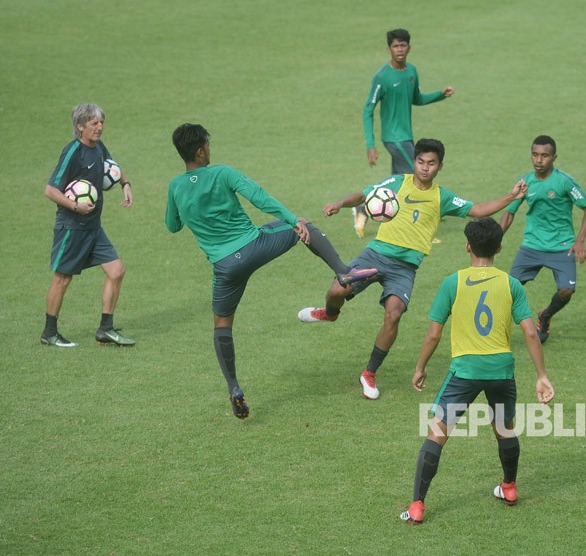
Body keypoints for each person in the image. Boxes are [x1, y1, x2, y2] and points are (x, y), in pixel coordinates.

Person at [165, 124, 377, 420]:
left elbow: (173, 226)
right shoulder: (223, 173)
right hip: (255, 246)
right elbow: (259, 197)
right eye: (208, 146)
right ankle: (343, 272)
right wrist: (293, 220)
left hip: (225, 267)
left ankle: (234, 387)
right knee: (301, 223)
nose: (210, 150)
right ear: (200, 151)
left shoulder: (176, 187)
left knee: (222, 325)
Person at [298, 138, 526, 400]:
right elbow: (364, 195)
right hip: (376, 253)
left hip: (404, 268)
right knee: (337, 289)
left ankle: (369, 373)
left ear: (440, 166)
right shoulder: (397, 183)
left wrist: (512, 196)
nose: (425, 168)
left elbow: (477, 210)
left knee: (394, 314)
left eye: (431, 163)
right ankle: (329, 313)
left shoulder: (443, 196)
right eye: (420, 162)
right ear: (414, 162)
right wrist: (339, 203)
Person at [399, 217, 555, 525]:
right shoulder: (511, 284)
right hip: (501, 369)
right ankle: (508, 487)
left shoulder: (452, 282)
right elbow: (530, 333)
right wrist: (542, 376)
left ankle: (417, 506)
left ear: (467, 246)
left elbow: (433, 334)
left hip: (465, 371)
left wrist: (420, 367)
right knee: (504, 428)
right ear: (499, 247)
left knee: (437, 434)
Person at [41, 103, 135, 348]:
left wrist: (126, 184)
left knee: (116, 271)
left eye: (101, 122)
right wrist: (75, 207)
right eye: (94, 123)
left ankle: (105, 329)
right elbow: (50, 190)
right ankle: (49, 333)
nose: (100, 127)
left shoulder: (98, 147)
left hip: (93, 228)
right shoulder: (73, 152)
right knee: (62, 279)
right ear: (80, 127)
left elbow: (113, 168)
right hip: (72, 228)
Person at [353, 28, 454, 239]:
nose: (399, 50)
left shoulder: (411, 72)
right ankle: (422, 225)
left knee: (397, 180)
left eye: (403, 45)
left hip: (406, 135)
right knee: (417, 176)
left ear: (409, 47)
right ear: (388, 49)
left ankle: (363, 208)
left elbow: (416, 98)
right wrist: (370, 144)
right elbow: (367, 110)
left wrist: (440, 95)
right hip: (393, 137)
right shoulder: (382, 77)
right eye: (395, 46)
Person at [500, 135, 586, 343]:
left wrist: (580, 240)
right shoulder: (526, 183)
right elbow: (509, 213)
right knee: (507, 291)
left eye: (544, 156)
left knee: (566, 291)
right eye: (535, 155)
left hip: (562, 246)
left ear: (554, 157)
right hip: (531, 246)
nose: (539, 160)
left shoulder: (564, 181)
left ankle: (546, 315)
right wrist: (496, 238)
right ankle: (496, 332)